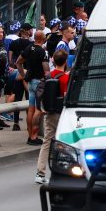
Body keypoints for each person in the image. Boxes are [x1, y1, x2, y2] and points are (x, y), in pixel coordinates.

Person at [35, 48, 70, 184]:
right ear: (65, 61)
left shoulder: (49, 75)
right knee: (64, 143)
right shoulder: (66, 77)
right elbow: (66, 96)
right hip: (62, 113)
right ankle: (61, 172)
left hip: (50, 112)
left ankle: (40, 172)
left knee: (47, 142)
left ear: (53, 61)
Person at [17, 30, 49, 148]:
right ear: (43, 39)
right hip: (39, 83)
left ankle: (30, 136)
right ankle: (34, 136)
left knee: (31, 109)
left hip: (30, 82)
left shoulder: (29, 48)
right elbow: (46, 71)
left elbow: (18, 62)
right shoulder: (43, 52)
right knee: (38, 110)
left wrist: (24, 76)